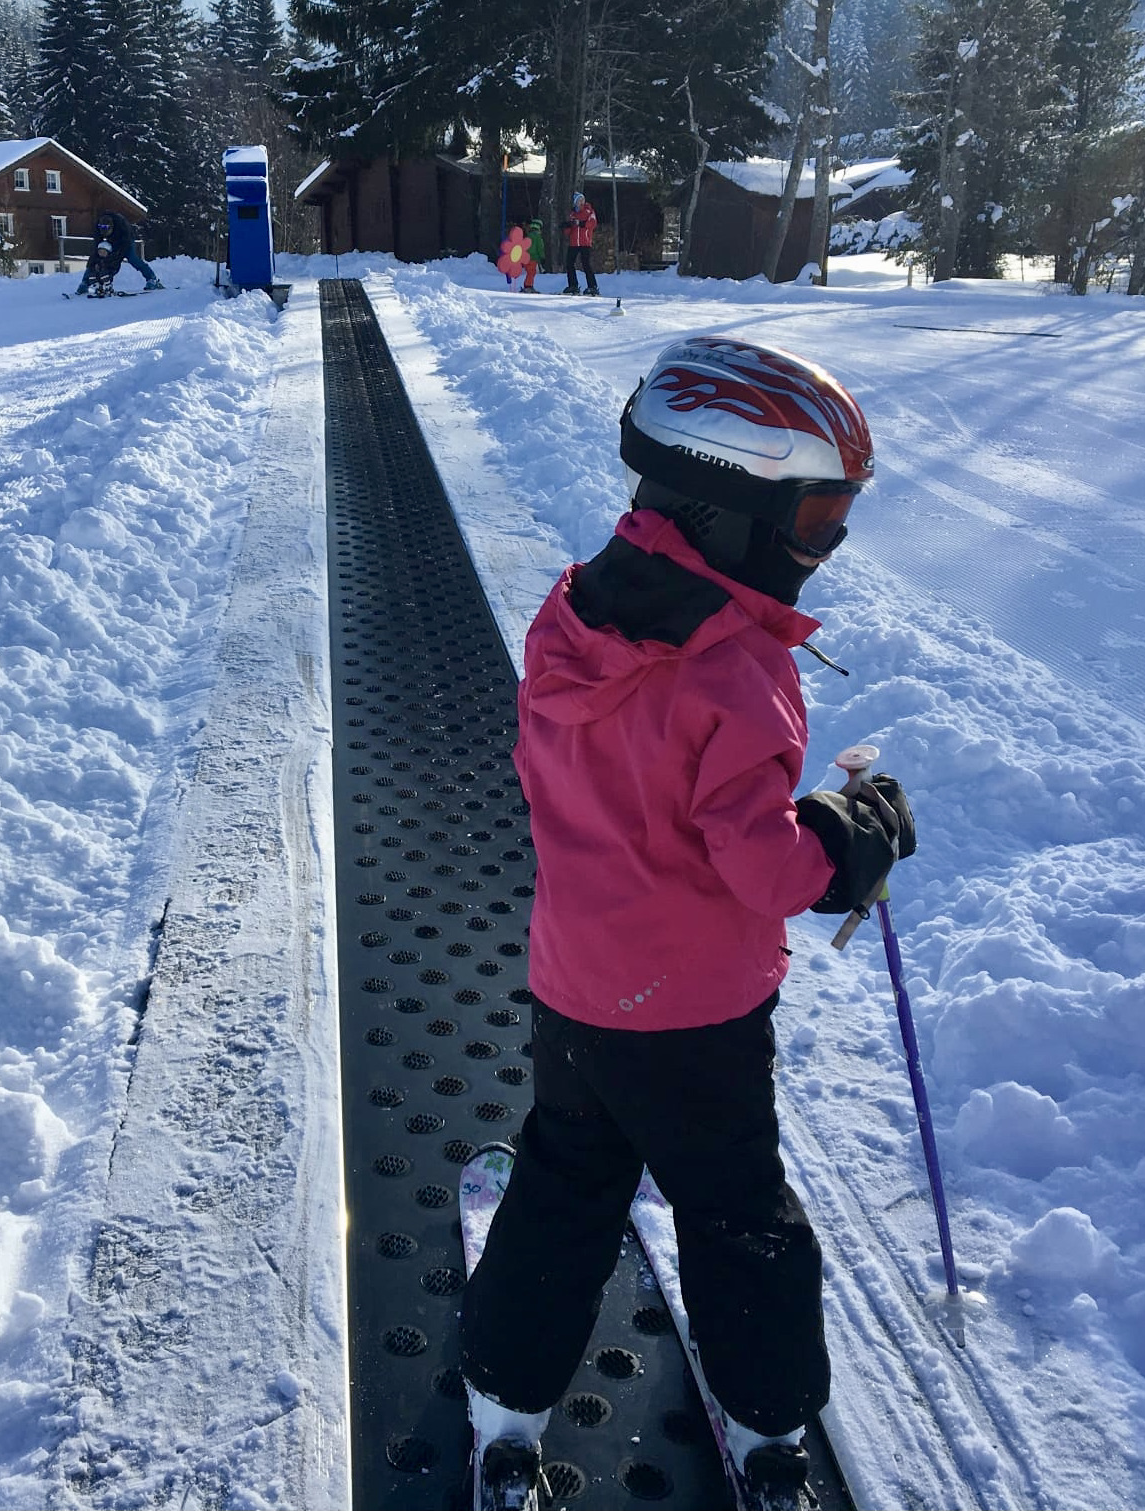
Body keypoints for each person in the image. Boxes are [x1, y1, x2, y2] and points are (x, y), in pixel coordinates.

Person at [457, 336, 915, 1511]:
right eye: (818, 514)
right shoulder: (741, 672)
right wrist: (848, 839)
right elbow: (767, 872)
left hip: (573, 985)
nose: (829, 543)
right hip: (699, 1021)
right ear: (728, 505)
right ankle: (770, 1422)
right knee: (733, 1208)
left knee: (566, 1182)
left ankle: (507, 1401)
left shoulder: (574, 620)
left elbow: (591, 775)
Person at [77, 208, 162, 295]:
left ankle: (152, 279)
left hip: (126, 241)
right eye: (101, 228)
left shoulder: (121, 226)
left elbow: (124, 246)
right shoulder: (98, 229)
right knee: (94, 258)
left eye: (107, 229)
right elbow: (96, 248)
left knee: (132, 258)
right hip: (111, 241)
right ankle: (84, 283)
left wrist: (116, 257)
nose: (103, 231)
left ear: (112, 227)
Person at [562, 190, 599, 296]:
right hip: (574, 243)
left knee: (586, 264)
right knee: (569, 263)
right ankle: (573, 285)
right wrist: (567, 226)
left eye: (582, 199)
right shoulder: (572, 214)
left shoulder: (589, 211)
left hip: (585, 242)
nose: (581, 202)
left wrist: (581, 223)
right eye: (579, 200)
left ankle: (592, 286)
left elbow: (592, 223)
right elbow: (568, 232)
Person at [524, 218, 545, 293]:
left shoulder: (528, 236)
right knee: (531, 272)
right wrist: (542, 257)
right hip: (533, 258)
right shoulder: (537, 237)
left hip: (526, 258)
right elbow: (540, 248)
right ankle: (528, 286)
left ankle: (528, 285)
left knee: (529, 271)